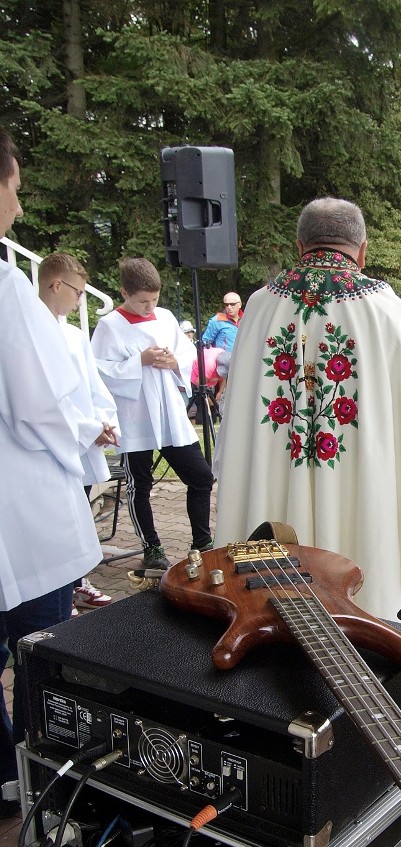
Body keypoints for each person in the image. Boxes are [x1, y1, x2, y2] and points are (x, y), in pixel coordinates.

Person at [212, 197, 401, 621]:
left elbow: (237, 404)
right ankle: (361, 629)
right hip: (358, 481)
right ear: (362, 250)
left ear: (299, 244)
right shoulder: (384, 308)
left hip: (275, 479)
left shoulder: (259, 305)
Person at [0, 128, 104, 789]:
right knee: (43, 655)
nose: (17, 204)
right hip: (22, 512)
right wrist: (84, 437)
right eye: (13, 186)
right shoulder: (8, 289)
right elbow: (38, 406)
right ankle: (37, 779)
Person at [91, 257, 215, 569]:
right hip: (134, 416)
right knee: (140, 484)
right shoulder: (109, 325)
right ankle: (153, 547)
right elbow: (99, 372)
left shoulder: (166, 317)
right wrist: (139, 361)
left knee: (200, 476)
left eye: (154, 300)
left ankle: (202, 541)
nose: (149, 307)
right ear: (124, 293)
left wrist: (174, 362)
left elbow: (186, 355)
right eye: (142, 301)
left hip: (169, 415)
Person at [38, 251, 121, 610]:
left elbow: (90, 383)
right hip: (54, 439)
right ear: (56, 284)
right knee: (54, 520)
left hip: (83, 434)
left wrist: (102, 422)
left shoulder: (72, 334)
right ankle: (57, 591)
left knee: (79, 508)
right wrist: (86, 428)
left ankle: (74, 582)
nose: (79, 300)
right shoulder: (31, 329)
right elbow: (44, 393)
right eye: (77, 291)